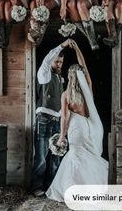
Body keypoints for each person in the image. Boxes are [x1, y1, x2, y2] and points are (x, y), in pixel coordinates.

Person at [46, 40, 108, 202]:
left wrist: (61, 137)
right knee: (90, 156)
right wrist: (77, 48)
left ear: (69, 75)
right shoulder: (88, 86)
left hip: (77, 127)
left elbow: (65, 118)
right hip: (93, 126)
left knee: (76, 156)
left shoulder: (65, 95)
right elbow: (84, 67)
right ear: (82, 76)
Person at [31, 39, 73, 197]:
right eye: (57, 61)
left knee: (56, 156)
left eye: (61, 62)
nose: (59, 64)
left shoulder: (60, 77)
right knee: (41, 156)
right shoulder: (44, 73)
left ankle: (51, 188)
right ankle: (36, 187)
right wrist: (62, 45)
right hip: (44, 119)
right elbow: (49, 57)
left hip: (57, 121)